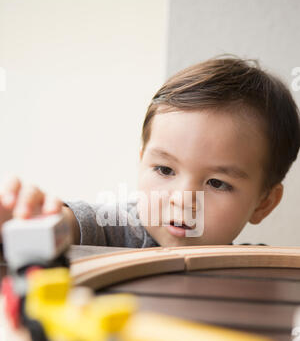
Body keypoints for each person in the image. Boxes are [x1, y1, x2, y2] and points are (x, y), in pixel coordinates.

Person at [1, 54, 300, 248]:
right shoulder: (122, 229)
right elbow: (76, 224)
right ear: (142, 159)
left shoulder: (253, 270)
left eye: (217, 183)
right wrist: (32, 225)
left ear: (263, 203)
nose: (182, 201)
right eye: (165, 170)